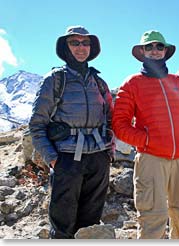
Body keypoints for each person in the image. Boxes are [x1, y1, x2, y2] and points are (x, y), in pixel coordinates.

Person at [29, 25, 114, 239]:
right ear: (66, 48)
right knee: (62, 224)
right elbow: (37, 124)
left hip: (98, 159)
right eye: (74, 42)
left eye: (85, 43)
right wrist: (53, 159)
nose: (81, 47)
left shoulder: (99, 82)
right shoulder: (55, 80)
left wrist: (108, 154)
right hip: (66, 158)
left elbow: (110, 119)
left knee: (91, 223)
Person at [112, 30, 179, 239]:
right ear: (142, 52)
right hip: (150, 160)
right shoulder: (132, 84)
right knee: (153, 217)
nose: (154, 50)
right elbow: (120, 124)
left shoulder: (178, 82)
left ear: (165, 51)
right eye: (149, 47)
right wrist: (147, 141)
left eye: (159, 46)